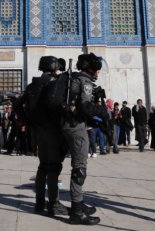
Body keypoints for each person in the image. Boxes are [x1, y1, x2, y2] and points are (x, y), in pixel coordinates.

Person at [61, 53, 103, 225]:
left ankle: (79, 203)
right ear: (90, 68)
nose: (97, 73)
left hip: (67, 124)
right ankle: (77, 212)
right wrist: (101, 111)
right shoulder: (85, 81)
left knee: (78, 167)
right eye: (96, 69)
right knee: (79, 169)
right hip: (76, 127)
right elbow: (85, 106)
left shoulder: (74, 79)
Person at [28, 56, 69, 218]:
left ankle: (39, 203)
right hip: (52, 130)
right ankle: (54, 204)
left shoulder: (33, 84)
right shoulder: (54, 83)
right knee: (53, 168)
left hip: (38, 130)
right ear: (53, 66)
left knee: (42, 167)